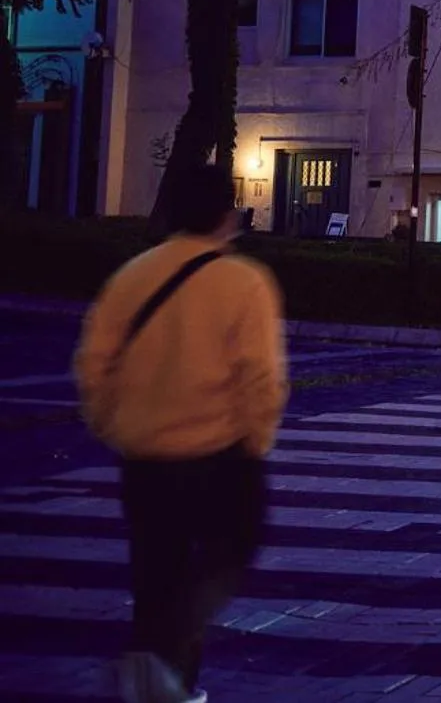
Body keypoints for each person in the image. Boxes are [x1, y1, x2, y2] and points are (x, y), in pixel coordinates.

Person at [74, 162, 286, 703]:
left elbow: (94, 364)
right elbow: (261, 378)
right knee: (229, 551)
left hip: (143, 455)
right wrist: (256, 442)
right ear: (227, 214)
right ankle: (166, 658)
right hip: (217, 454)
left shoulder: (132, 277)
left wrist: (113, 424)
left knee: (154, 570)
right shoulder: (244, 282)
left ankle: (165, 679)